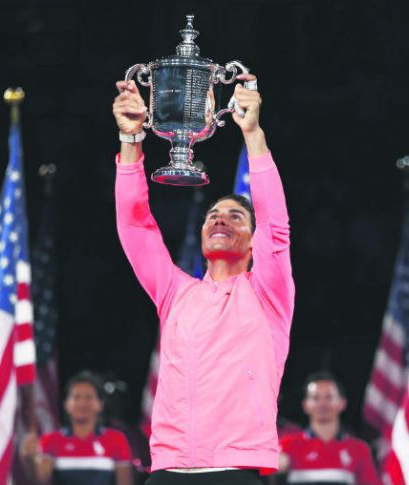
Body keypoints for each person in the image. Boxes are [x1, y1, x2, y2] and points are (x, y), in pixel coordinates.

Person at [112, 71, 294, 485]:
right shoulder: (176, 293)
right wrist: (130, 140)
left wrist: (253, 135)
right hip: (168, 470)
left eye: (235, 216)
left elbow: (275, 223)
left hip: (235, 470)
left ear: (253, 240)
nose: (219, 219)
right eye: (213, 215)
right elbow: (135, 228)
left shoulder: (269, 293)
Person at [21, 371, 133, 485]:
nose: (82, 403)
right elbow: (40, 482)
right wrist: (29, 460)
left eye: (89, 397)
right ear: (66, 405)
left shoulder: (117, 439)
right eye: (76, 397)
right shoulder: (50, 440)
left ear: (100, 404)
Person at [277, 372, 382, 485]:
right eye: (316, 398)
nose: (322, 403)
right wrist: (276, 467)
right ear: (305, 405)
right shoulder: (287, 445)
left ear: (342, 403)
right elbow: (267, 473)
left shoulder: (359, 449)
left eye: (329, 397)